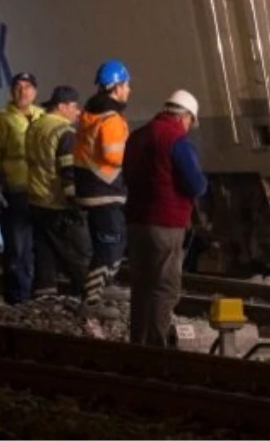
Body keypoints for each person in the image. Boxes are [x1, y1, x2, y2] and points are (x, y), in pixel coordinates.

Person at [124, 90, 208, 347]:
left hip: (136, 221)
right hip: (166, 223)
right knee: (165, 286)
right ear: (185, 117)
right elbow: (195, 184)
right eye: (190, 123)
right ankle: (156, 345)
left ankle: (138, 341)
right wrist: (203, 186)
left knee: (141, 285)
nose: (188, 128)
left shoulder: (137, 136)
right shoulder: (177, 140)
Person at [0, 71, 44, 305]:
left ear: (35, 92)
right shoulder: (0, 121)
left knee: (38, 249)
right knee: (17, 250)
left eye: (27, 87)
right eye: (18, 86)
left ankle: (36, 296)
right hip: (15, 194)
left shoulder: (42, 117)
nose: (22, 91)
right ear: (11, 91)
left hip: (41, 195)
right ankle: (17, 300)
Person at [74, 59, 132, 316]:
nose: (129, 90)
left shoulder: (90, 115)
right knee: (111, 245)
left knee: (109, 244)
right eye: (127, 85)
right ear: (117, 87)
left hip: (91, 189)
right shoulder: (111, 118)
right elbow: (113, 155)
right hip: (104, 190)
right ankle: (92, 300)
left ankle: (102, 286)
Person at [23, 85, 91, 301]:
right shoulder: (65, 132)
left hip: (36, 202)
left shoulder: (35, 126)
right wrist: (75, 205)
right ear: (61, 106)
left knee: (44, 257)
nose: (77, 111)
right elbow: (68, 173)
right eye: (74, 106)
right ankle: (88, 299)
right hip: (58, 204)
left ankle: (45, 300)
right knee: (80, 255)